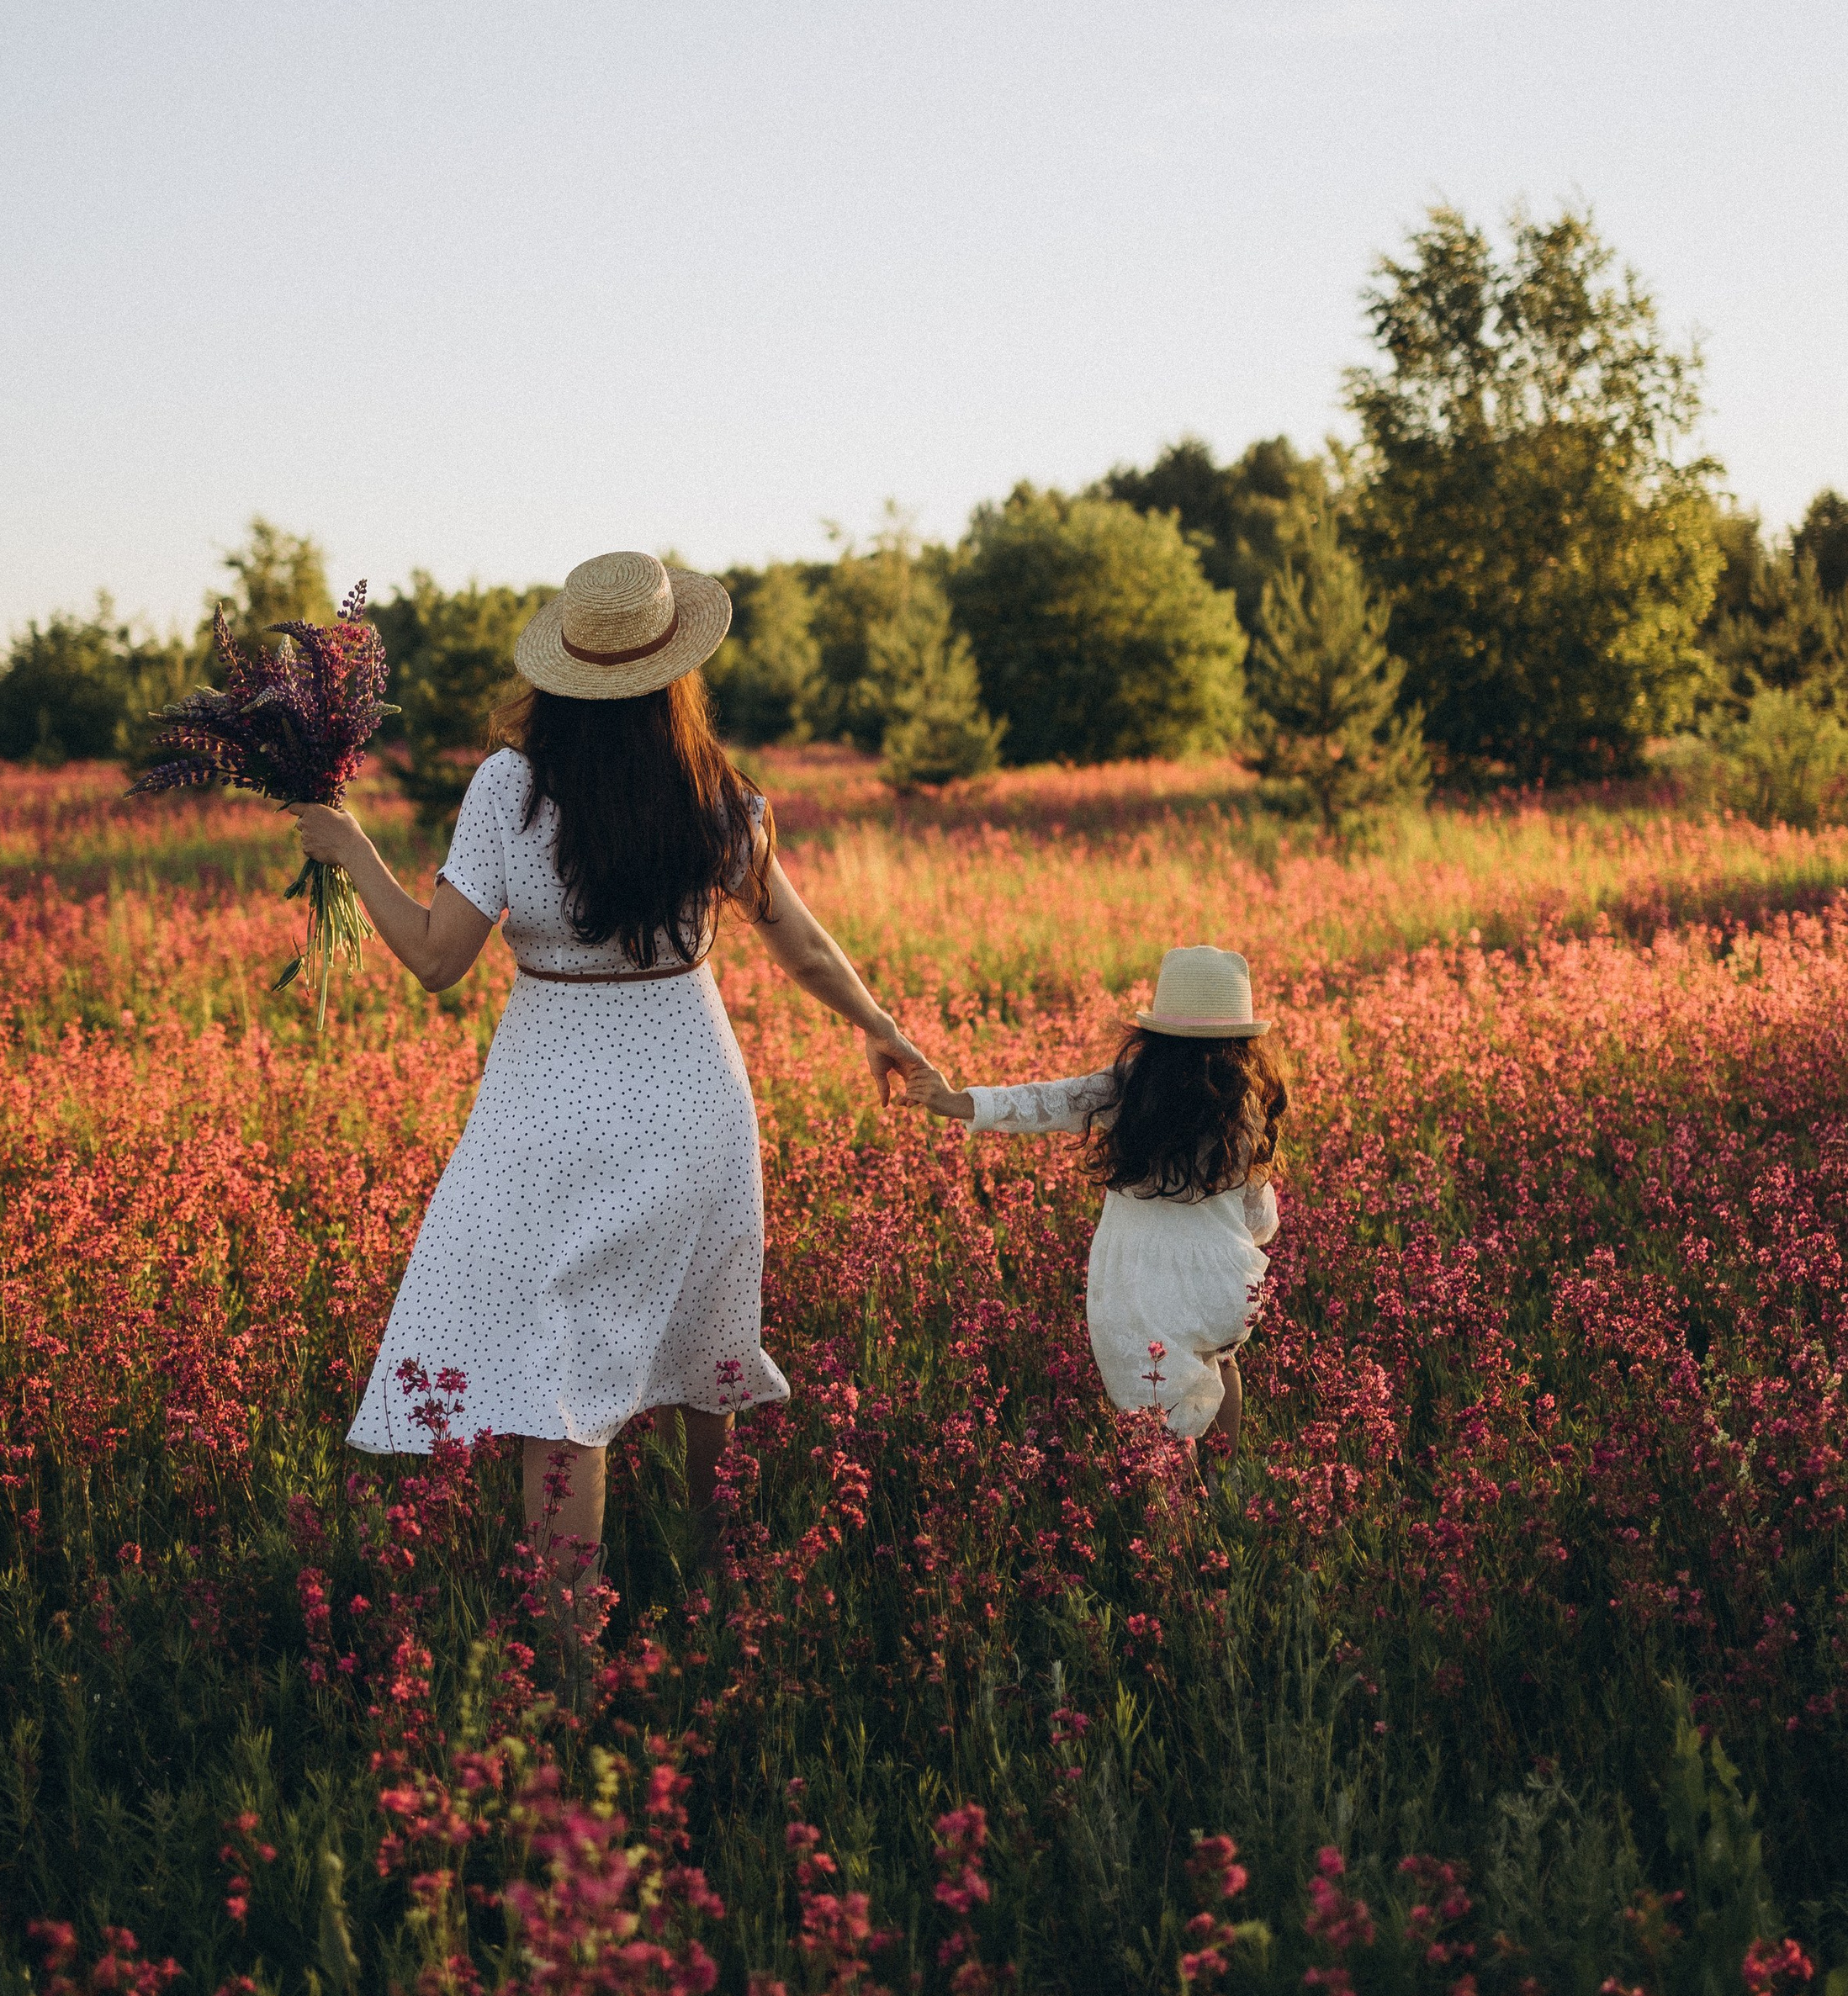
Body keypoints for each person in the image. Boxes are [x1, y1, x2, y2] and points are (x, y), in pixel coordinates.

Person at [294, 549, 929, 1641]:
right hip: (693, 1095)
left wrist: (351, 847)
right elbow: (802, 943)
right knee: (706, 1342)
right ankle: (716, 1596)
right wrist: (882, 1028)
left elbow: (438, 960)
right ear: (674, 673)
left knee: (562, 1375)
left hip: (552, 1100)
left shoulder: (509, 788)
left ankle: (571, 1660)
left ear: (562, 672)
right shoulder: (719, 795)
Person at [898, 945, 1285, 1466]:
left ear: (1156, 1034)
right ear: (1243, 1041)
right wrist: (1238, 1242)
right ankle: (1225, 1484)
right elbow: (1258, 1213)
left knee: (1156, 1400)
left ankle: (1176, 1507)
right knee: (1220, 1362)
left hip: (1138, 1277)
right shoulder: (1248, 1104)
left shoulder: (1131, 1089)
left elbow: (1045, 1102)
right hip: (1220, 1271)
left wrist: (955, 1101)